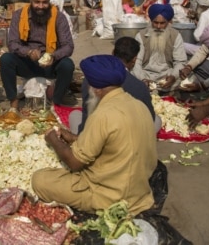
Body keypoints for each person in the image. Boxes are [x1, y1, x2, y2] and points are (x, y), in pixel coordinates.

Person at [31, 55, 157, 216]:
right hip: (139, 192)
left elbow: (75, 163)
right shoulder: (139, 105)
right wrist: (73, 138)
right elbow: (111, 142)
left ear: (96, 89)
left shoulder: (102, 115)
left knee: (40, 179)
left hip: (110, 197)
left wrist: (54, 140)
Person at [0, 0, 76, 110]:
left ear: (49, 2)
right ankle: (13, 102)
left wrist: (53, 55)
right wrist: (28, 52)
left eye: (45, 3)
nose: (41, 6)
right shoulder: (19, 16)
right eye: (37, 2)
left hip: (50, 64)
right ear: (31, 1)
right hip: (27, 63)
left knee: (67, 64)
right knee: (6, 59)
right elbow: (12, 43)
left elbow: (68, 46)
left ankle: (56, 103)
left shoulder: (58, 17)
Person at [69, 37, 160, 135]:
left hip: (98, 134)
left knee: (75, 115)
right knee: (157, 120)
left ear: (113, 52)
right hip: (126, 137)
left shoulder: (91, 79)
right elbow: (149, 118)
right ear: (134, 59)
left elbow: (87, 113)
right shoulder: (139, 86)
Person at [131, 3, 187, 90]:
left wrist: (173, 76)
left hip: (167, 75)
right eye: (155, 22)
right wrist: (143, 79)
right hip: (145, 74)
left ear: (168, 22)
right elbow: (136, 62)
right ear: (151, 21)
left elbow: (180, 61)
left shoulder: (175, 35)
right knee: (130, 74)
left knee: (185, 77)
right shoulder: (141, 35)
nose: (158, 26)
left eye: (162, 23)